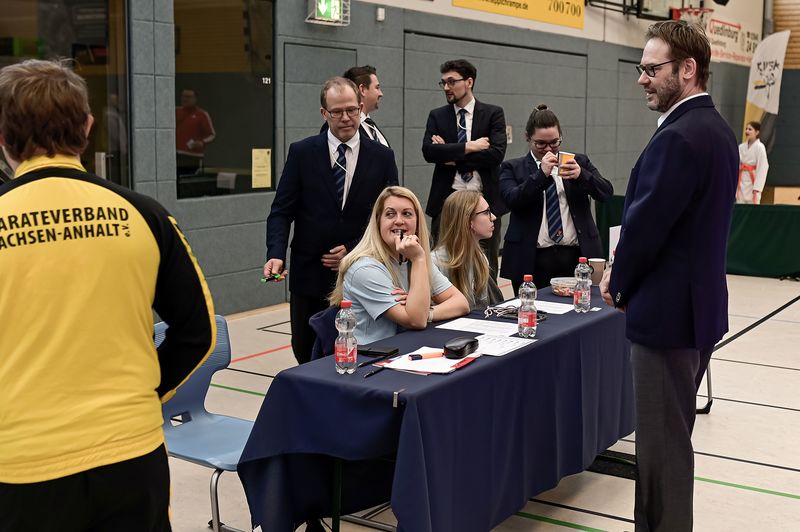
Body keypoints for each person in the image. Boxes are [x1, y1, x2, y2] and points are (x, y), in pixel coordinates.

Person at [0, 59, 216, 531]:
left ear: (3, 138)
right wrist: (143, 394)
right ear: (87, 126)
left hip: (22, 464)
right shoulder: (145, 215)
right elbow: (198, 332)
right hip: (131, 453)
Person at [599, 21, 738, 531]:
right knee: (671, 443)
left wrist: (617, 282)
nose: (642, 78)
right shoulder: (716, 130)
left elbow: (646, 228)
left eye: (651, 68)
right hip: (696, 312)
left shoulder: (679, 137)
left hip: (667, 319)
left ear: (687, 69)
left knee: (661, 453)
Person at [264, 77, 398, 365]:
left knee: (359, 353)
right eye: (337, 112)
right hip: (310, 274)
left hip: (362, 274)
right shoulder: (302, 153)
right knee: (306, 352)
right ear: (324, 113)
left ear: (361, 108)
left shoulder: (382, 157)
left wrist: (353, 250)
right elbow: (281, 211)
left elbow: (389, 216)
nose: (346, 118)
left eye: (352, 110)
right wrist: (275, 253)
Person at [329, 186, 469, 344]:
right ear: (378, 221)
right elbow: (416, 320)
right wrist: (418, 260)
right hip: (372, 354)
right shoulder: (365, 268)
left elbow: (461, 303)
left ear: (417, 222)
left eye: (407, 214)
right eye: (390, 214)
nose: (399, 221)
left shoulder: (414, 258)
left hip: (409, 347)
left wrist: (425, 311)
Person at [499, 105, 613, 294]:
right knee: (531, 308)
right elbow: (512, 200)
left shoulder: (578, 162)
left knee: (581, 307)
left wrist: (582, 176)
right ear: (527, 138)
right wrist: (540, 175)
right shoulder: (512, 167)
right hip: (531, 258)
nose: (548, 149)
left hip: (576, 256)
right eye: (540, 144)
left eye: (554, 142)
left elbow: (606, 193)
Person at [422, 59, 507, 281]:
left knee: (486, 269)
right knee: (442, 266)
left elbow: (495, 154)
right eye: (443, 82)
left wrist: (451, 155)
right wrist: (470, 146)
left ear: (469, 82)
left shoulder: (492, 114)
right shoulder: (437, 116)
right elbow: (429, 152)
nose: (446, 87)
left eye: (452, 82)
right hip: (447, 202)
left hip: (483, 202)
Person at [432, 190, 503, 310]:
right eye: (486, 212)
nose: (493, 217)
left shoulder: (480, 258)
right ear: (467, 221)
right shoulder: (434, 263)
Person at [321, 65, 390, 147]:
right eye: (377, 87)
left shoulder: (370, 125)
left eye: (351, 110)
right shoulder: (332, 129)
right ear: (362, 89)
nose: (381, 94)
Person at [175, 88, 216, 176]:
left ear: (195, 99)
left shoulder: (202, 114)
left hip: (193, 157)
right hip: (176, 155)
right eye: (183, 96)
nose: (185, 99)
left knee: (190, 179)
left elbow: (211, 134)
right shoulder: (175, 111)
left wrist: (202, 142)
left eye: (188, 97)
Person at [736, 120, 769, 204]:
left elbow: (763, 167)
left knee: (752, 205)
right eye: (746, 129)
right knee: (740, 204)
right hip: (741, 180)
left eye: (750, 129)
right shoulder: (741, 147)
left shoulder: (760, 147)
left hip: (753, 180)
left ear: (757, 132)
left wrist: (757, 187)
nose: (747, 131)